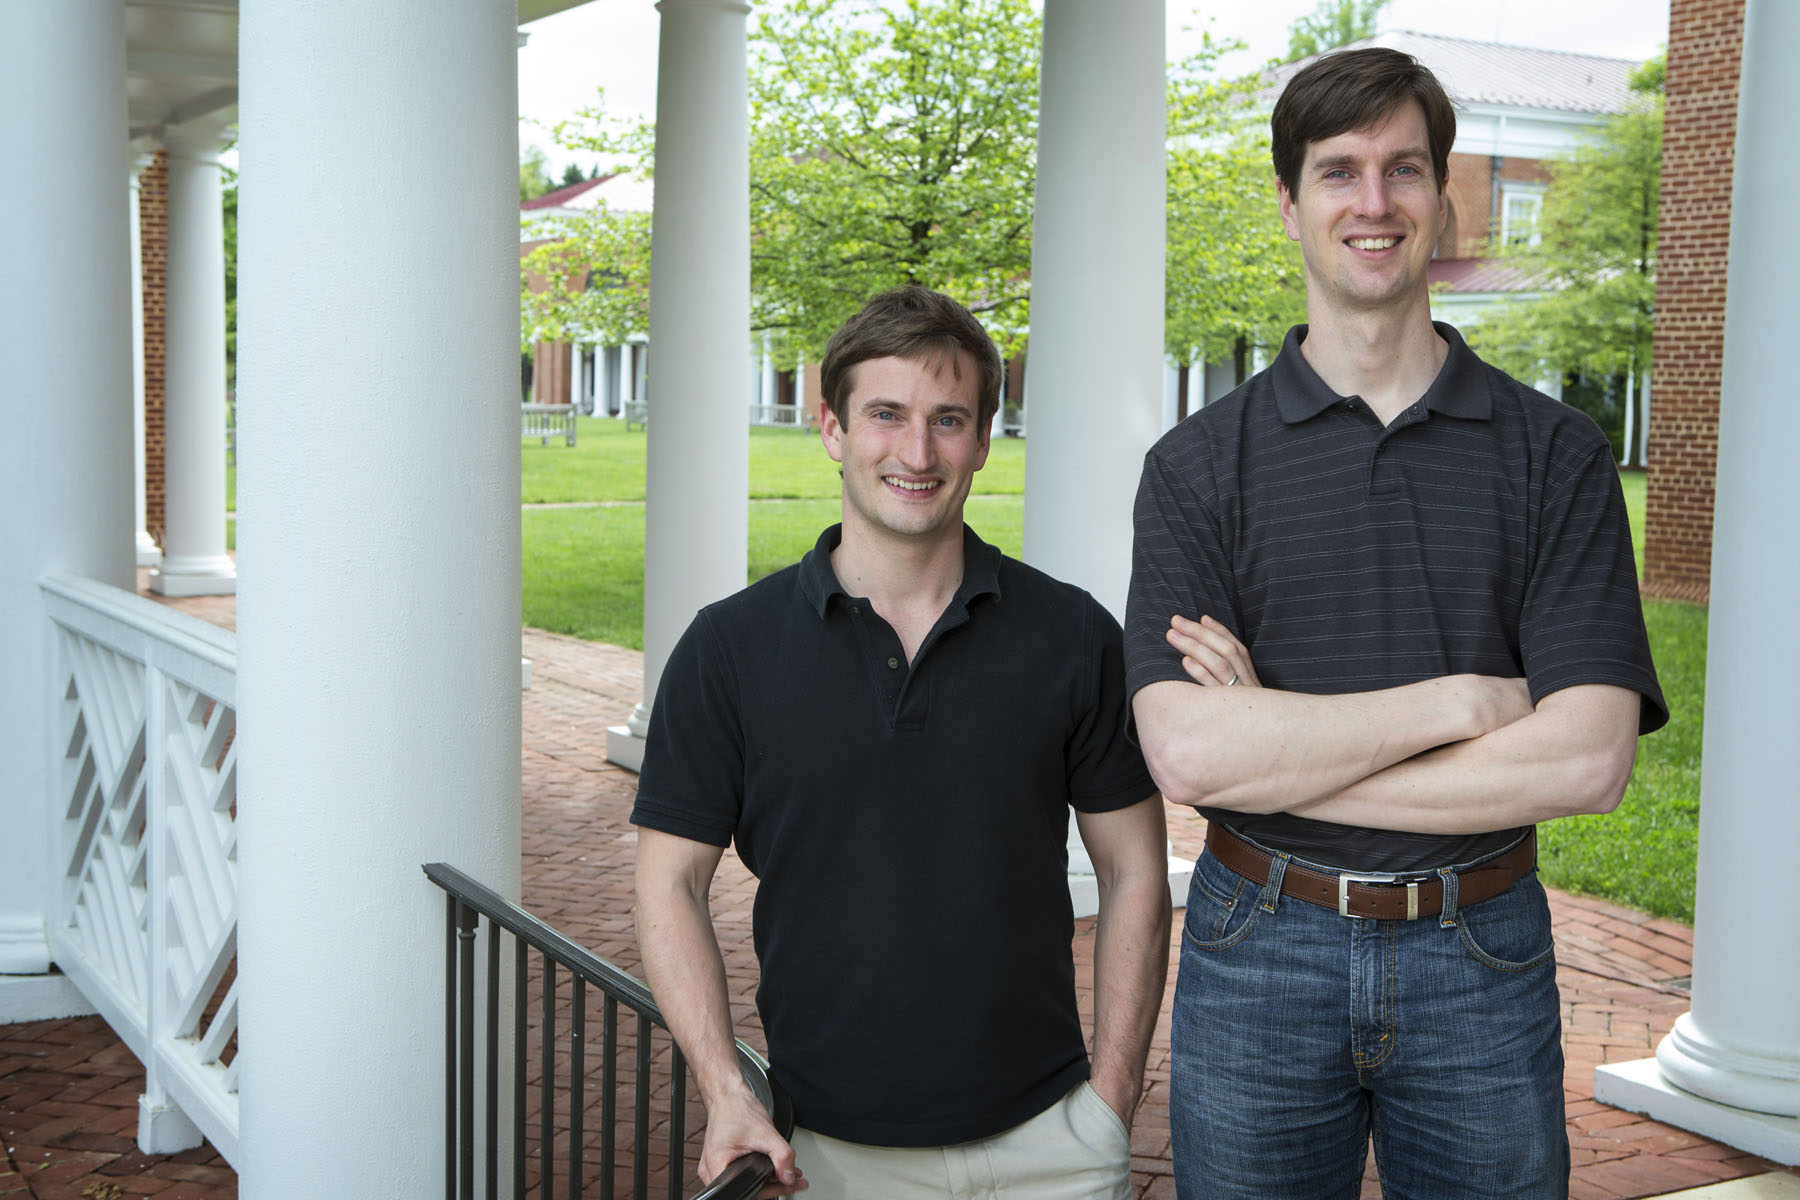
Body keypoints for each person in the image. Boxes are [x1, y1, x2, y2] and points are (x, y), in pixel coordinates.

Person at [1125, 47, 1668, 1200]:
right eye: (1339, 172)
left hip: (1478, 949)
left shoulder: (1554, 453)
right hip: (1254, 945)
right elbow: (1183, 749)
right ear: (1289, 204)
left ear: (1442, 197)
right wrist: (1461, 704)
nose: (1373, 203)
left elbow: (1587, 756)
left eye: (1403, 169)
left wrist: (1276, 750)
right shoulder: (1194, 468)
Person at [633, 286, 1171, 1198]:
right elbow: (667, 882)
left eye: (948, 419)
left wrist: (1109, 1105)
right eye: (886, 414)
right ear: (833, 428)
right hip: (833, 1156)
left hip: (1053, 1147)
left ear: (984, 438)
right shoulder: (728, 650)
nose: (917, 453)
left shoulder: (1073, 636)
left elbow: (1134, 872)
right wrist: (727, 1092)